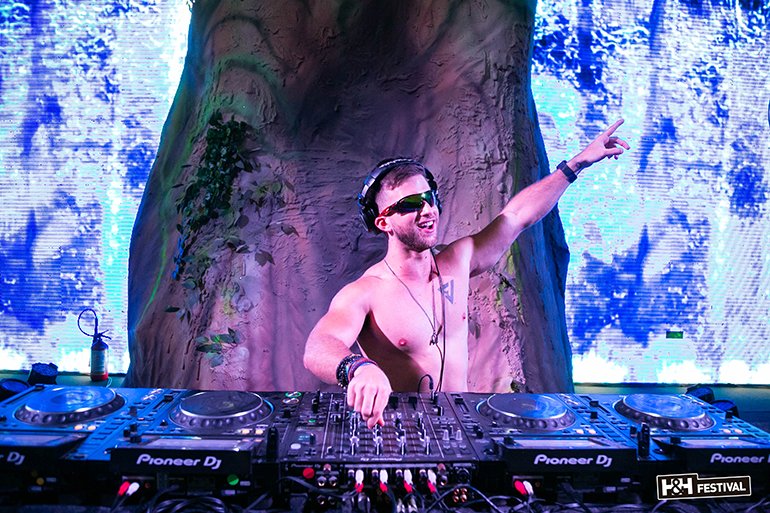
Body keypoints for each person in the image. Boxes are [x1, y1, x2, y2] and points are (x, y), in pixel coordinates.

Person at [304, 119, 630, 428]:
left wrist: (576, 165)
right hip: (400, 436)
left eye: (429, 198)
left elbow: (517, 216)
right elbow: (319, 347)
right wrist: (358, 368)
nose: (427, 210)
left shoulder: (457, 261)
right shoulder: (366, 292)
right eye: (410, 204)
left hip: (459, 428)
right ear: (383, 222)